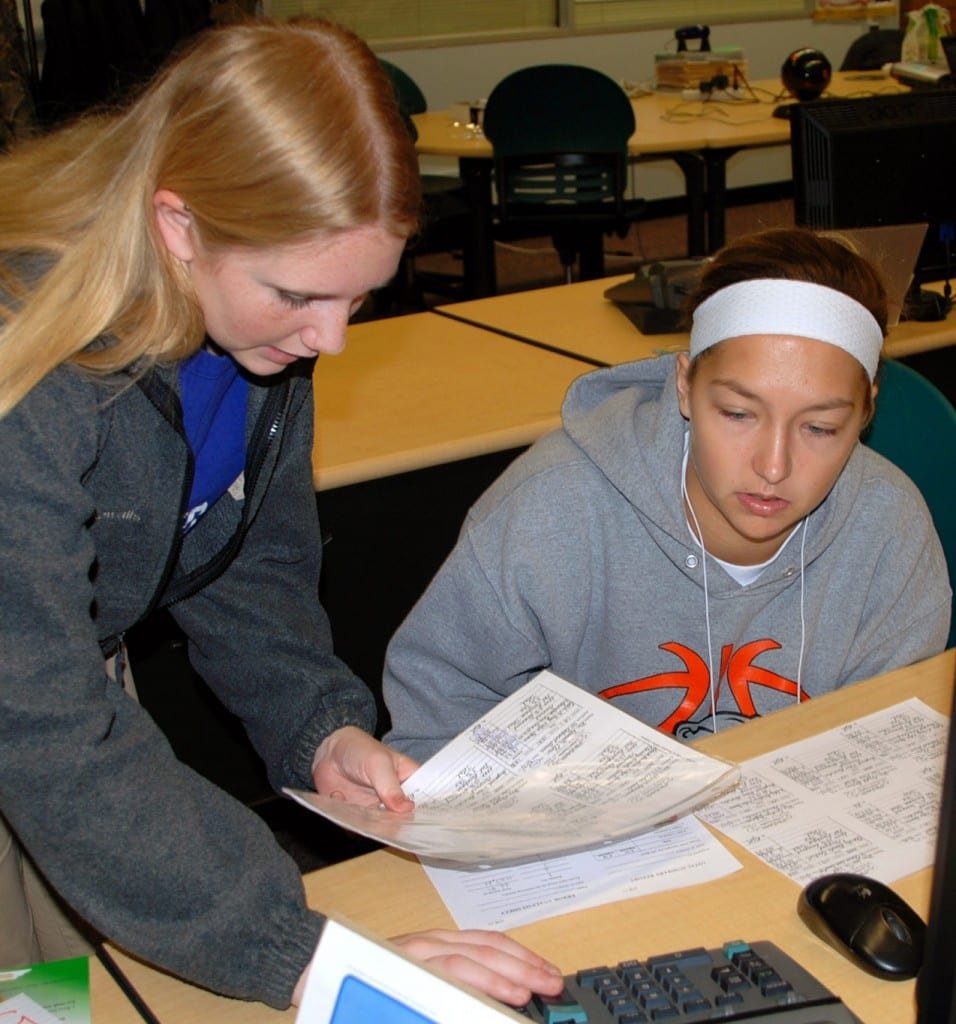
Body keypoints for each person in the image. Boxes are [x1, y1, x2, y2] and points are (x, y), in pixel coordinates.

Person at [0, 18, 564, 1010]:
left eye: (358, 298)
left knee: (79, 988)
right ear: (178, 225)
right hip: (34, 696)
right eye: (300, 295)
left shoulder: (256, 326)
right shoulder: (27, 362)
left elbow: (243, 560)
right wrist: (297, 952)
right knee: (27, 985)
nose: (330, 341)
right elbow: (41, 719)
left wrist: (317, 728)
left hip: (52, 692)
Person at [384, 228, 952, 762]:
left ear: (867, 410)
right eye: (737, 413)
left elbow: (896, 745)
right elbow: (435, 725)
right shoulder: (551, 509)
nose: (773, 466)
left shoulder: (889, 529)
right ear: (683, 385)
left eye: (820, 428)